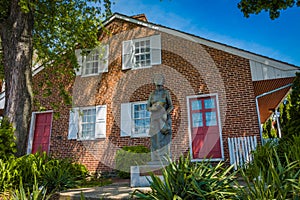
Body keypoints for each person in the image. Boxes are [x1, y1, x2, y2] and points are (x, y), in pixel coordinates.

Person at [147, 74, 173, 162]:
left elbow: (171, 106)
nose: (158, 86)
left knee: (164, 139)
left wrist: (165, 113)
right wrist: (153, 108)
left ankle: (165, 158)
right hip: (154, 118)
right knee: (155, 138)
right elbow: (148, 107)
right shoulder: (152, 94)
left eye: (160, 84)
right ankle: (155, 159)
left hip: (163, 118)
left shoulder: (166, 93)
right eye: (157, 84)